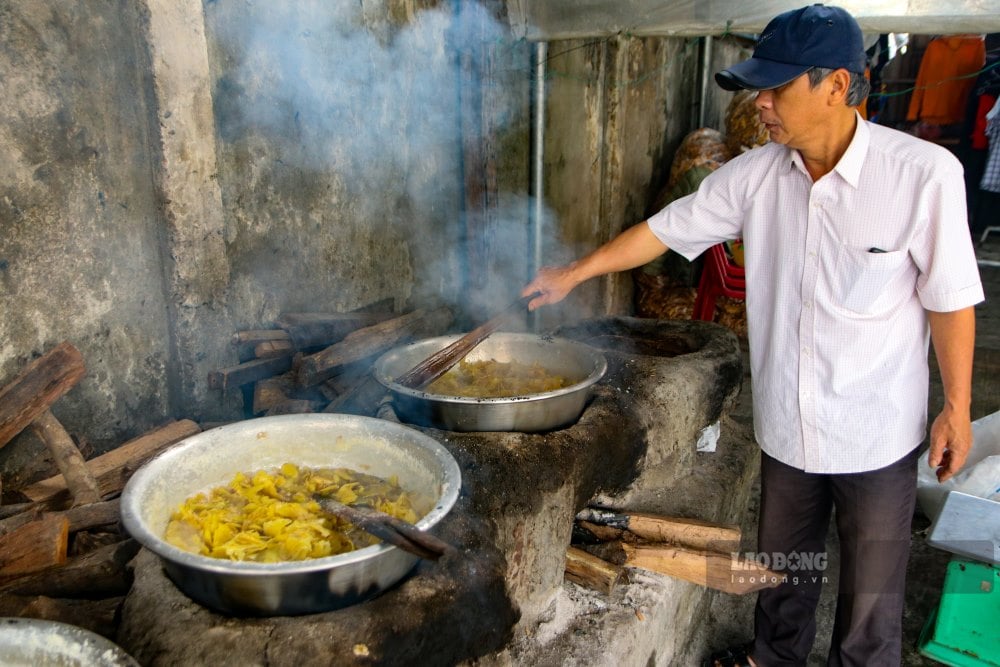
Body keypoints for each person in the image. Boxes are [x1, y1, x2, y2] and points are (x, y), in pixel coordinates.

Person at [522, 5, 984, 666]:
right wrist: (575, 271)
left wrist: (957, 407)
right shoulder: (757, 174)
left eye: (778, 87)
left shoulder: (921, 176)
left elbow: (951, 301)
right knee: (783, 568)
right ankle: (776, 655)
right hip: (789, 427)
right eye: (757, 88)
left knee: (871, 595)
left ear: (838, 85)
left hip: (876, 431)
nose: (760, 104)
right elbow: (664, 228)